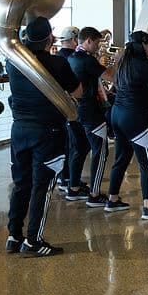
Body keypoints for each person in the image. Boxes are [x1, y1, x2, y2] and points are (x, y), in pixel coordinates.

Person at [5, 17, 82, 257]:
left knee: (21, 184)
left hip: (19, 130)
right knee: (42, 186)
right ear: (50, 37)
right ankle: (34, 242)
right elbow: (77, 91)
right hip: (48, 131)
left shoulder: (14, 62)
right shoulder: (58, 63)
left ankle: (13, 236)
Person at [104, 30, 148, 220]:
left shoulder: (123, 61)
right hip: (135, 116)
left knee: (121, 158)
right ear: (143, 45)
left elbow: (114, 80)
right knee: (147, 162)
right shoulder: (143, 64)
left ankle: (112, 199)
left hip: (117, 114)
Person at [66, 27, 114, 206]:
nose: (98, 46)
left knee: (80, 149)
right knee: (101, 151)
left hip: (75, 110)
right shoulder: (87, 60)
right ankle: (94, 194)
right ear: (88, 41)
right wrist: (117, 61)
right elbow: (111, 77)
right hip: (91, 111)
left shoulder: (71, 58)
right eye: (97, 42)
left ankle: (74, 188)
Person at [55, 26, 87, 193]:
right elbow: (76, 87)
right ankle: (70, 181)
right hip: (72, 107)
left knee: (69, 144)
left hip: (60, 108)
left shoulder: (57, 57)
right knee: (78, 145)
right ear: (75, 40)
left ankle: (67, 178)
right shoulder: (71, 58)